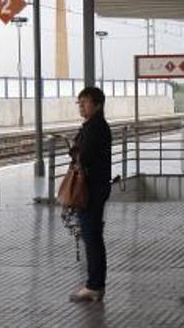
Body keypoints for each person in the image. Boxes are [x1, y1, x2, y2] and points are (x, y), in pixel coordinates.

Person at [69, 86, 111, 302]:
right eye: (79, 102)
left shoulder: (95, 127)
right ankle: (95, 283)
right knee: (92, 236)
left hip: (91, 189)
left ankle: (94, 285)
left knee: (92, 237)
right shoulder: (93, 125)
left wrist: (75, 149)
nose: (81, 106)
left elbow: (83, 156)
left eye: (85, 102)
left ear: (97, 105)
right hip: (93, 188)